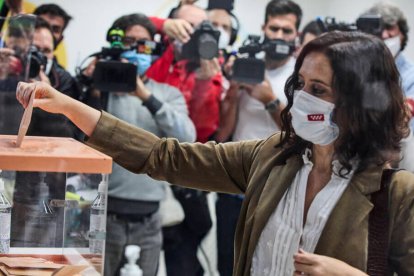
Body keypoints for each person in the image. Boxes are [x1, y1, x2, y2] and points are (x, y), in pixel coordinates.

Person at [16, 31, 414, 275]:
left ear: (362, 102)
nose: (302, 98)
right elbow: (166, 156)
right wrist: (68, 105)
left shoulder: (397, 195)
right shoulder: (273, 157)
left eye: (320, 90)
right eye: (302, 85)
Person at [79, 13, 196, 276]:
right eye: (129, 41)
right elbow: (80, 135)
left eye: (144, 43)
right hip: (103, 215)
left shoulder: (167, 94)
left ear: (154, 49)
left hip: (150, 219)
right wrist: (93, 84)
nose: (136, 49)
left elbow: (187, 138)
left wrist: (144, 95)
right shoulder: (102, 89)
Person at [363, 2, 414, 172]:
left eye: (390, 27)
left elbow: (404, 119)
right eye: (378, 28)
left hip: (401, 165)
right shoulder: (357, 72)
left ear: (402, 33)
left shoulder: (411, 76)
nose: (384, 34)